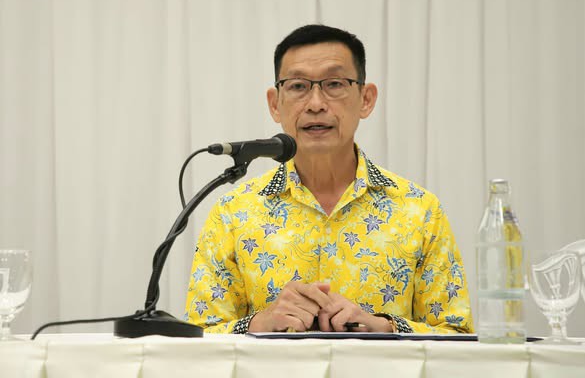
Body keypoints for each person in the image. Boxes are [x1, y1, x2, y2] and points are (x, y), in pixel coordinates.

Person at [184, 24, 473, 334]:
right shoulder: (233, 213)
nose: (316, 104)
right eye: (298, 86)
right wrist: (259, 323)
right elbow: (198, 339)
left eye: (334, 84)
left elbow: (457, 336)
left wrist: (385, 328)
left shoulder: (419, 211)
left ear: (366, 99)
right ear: (275, 104)